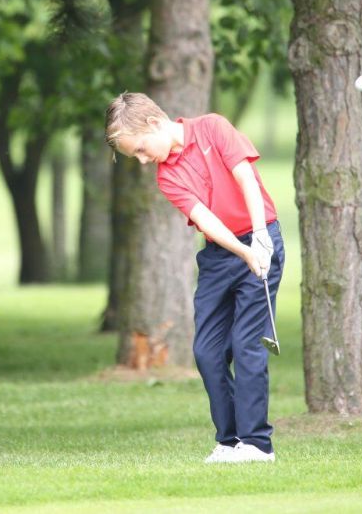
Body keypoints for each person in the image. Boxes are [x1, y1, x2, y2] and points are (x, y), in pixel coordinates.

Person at [104, 92, 284, 463]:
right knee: (207, 351)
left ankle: (257, 444)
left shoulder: (213, 128)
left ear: (153, 123)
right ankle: (230, 440)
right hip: (223, 255)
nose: (141, 160)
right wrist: (244, 252)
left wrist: (260, 239)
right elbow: (206, 220)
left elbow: (246, 178)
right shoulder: (166, 176)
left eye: (139, 149)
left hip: (262, 236)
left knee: (247, 343)